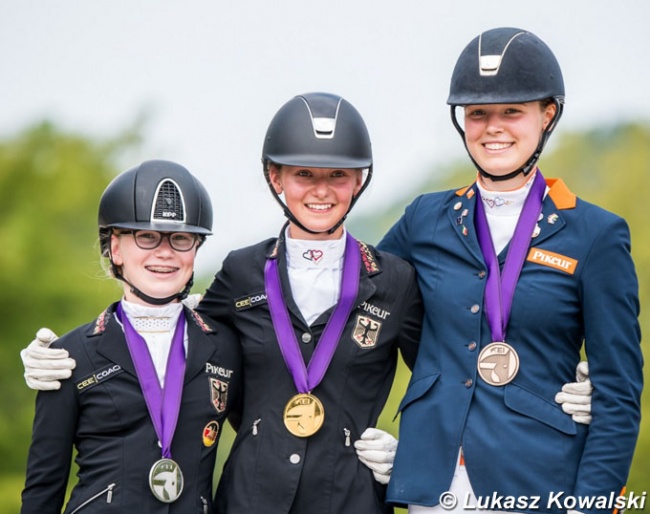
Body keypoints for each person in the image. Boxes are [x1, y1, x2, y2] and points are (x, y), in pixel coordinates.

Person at [20, 93, 594, 513]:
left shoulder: (394, 280)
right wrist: (54, 359)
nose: (320, 190)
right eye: (303, 174)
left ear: (358, 183)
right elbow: (175, 332)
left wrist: (553, 390)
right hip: (248, 499)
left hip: (352, 496)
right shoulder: (241, 271)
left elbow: (451, 377)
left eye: (338, 176)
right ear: (276, 178)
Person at [379, 27, 643, 513]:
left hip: (540, 484)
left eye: (512, 111)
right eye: (478, 113)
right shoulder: (424, 219)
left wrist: (591, 505)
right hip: (432, 486)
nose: (493, 127)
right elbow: (355, 295)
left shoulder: (596, 235)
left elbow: (621, 394)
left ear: (547, 115)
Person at [21, 160, 241, 514]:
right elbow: (43, 488)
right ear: (115, 249)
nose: (165, 252)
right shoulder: (68, 355)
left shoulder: (226, 347)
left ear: (195, 251)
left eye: (181, 239)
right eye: (146, 237)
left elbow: (266, 434)